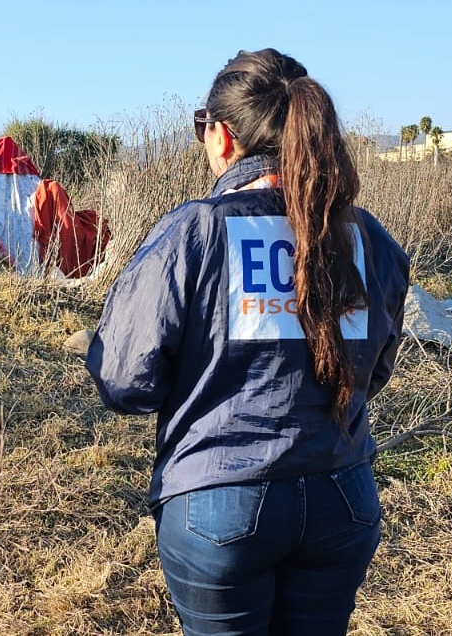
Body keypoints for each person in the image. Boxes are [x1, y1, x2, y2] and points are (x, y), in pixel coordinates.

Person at [85, 49, 410, 636]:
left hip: (218, 505)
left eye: (200, 127)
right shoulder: (369, 240)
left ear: (222, 137)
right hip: (343, 494)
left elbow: (126, 381)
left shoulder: (196, 230)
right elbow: (374, 369)